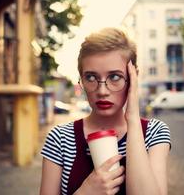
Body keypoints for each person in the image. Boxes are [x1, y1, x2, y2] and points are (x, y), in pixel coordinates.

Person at [40, 27, 171, 195]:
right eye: (91, 77)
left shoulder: (154, 133)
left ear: (133, 77)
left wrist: (132, 117)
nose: (102, 91)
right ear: (81, 79)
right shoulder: (59, 139)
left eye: (115, 77)